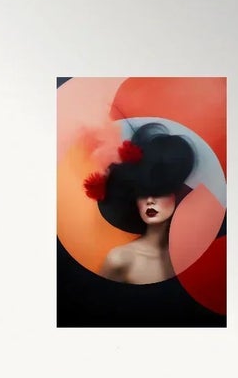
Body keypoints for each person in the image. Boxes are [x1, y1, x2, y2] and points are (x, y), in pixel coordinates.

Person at [83, 122, 196, 286]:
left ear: (176, 194)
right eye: (142, 192)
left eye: (160, 191)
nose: (150, 200)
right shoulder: (121, 259)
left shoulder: (189, 256)